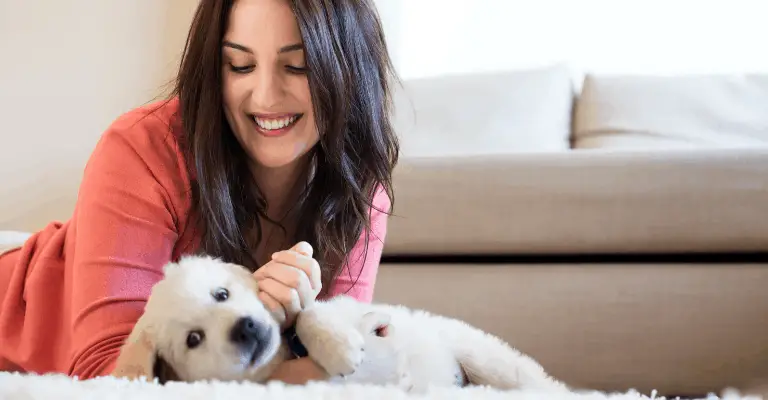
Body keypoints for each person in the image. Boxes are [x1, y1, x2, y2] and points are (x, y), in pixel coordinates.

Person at [0, 0, 399, 384]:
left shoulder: (359, 179)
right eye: (240, 66)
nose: (265, 96)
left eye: (298, 66)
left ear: (348, 68)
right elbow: (112, 377)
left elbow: (348, 353)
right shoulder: (142, 148)